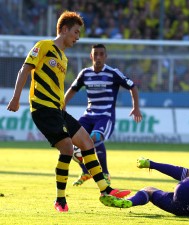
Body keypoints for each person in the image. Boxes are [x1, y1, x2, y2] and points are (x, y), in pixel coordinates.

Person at [6, 11, 130, 212]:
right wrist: (15, 97)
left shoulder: (63, 58)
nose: (77, 37)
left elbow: (57, 86)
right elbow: (25, 70)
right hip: (42, 109)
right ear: (64, 30)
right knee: (67, 149)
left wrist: (62, 104)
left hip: (57, 109)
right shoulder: (44, 46)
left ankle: (105, 191)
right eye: (75, 32)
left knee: (87, 142)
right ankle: (61, 201)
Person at [64, 44, 142, 186]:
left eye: (101, 54)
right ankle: (86, 172)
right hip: (88, 115)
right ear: (91, 56)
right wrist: (61, 106)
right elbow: (73, 89)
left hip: (105, 116)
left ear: (105, 57)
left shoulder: (113, 73)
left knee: (94, 138)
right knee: (70, 140)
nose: (98, 57)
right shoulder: (85, 73)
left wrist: (136, 107)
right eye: (96, 54)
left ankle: (105, 173)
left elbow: (132, 86)